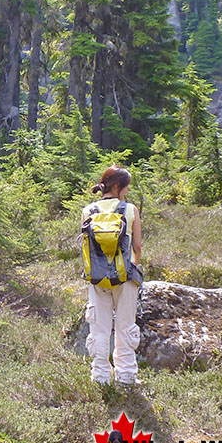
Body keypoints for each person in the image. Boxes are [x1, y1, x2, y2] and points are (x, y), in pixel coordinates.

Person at [81, 165, 143, 386]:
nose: (126, 192)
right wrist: (131, 269)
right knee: (126, 326)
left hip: (96, 278)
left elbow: (85, 247)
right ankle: (126, 377)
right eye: (125, 187)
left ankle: (100, 378)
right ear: (118, 186)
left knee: (99, 328)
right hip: (125, 278)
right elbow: (137, 246)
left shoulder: (88, 211)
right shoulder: (130, 209)